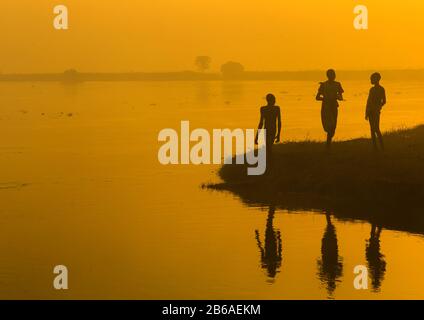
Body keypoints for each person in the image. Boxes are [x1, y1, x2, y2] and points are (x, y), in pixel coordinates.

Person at [316, 69, 344, 149]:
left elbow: (341, 97)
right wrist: (325, 99)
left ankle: (328, 143)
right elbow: (317, 97)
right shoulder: (323, 85)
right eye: (331, 75)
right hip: (325, 107)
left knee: (333, 126)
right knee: (328, 126)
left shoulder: (337, 84)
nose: (333, 76)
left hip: (334, 107)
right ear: (328, 76)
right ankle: (328, 145)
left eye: (333, 74)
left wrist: (338, 97)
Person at [255, 94, 281, 163]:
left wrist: (278, 135)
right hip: (270, 130)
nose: (275, 101)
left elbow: (279, 122)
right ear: (270, 100)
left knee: (268, 148)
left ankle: (270, 162)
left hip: (269, 130)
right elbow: (261, 123)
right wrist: (257, 136)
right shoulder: (274, 108)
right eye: (274, 99)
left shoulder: (265, 109)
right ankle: (270, 162)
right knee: (268, 148)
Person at [365, 72, 386, 150]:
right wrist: (367, 112)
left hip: (376, 111)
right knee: (372, 129)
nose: (371, 80)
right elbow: (368, 101)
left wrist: (378, 107)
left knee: (376, 128)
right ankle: (375, 147)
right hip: (370, 111)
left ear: (377, 79)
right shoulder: (372, 89)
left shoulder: (381, 89)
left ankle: (381, 146)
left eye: (372, 79)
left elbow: (384, 101)